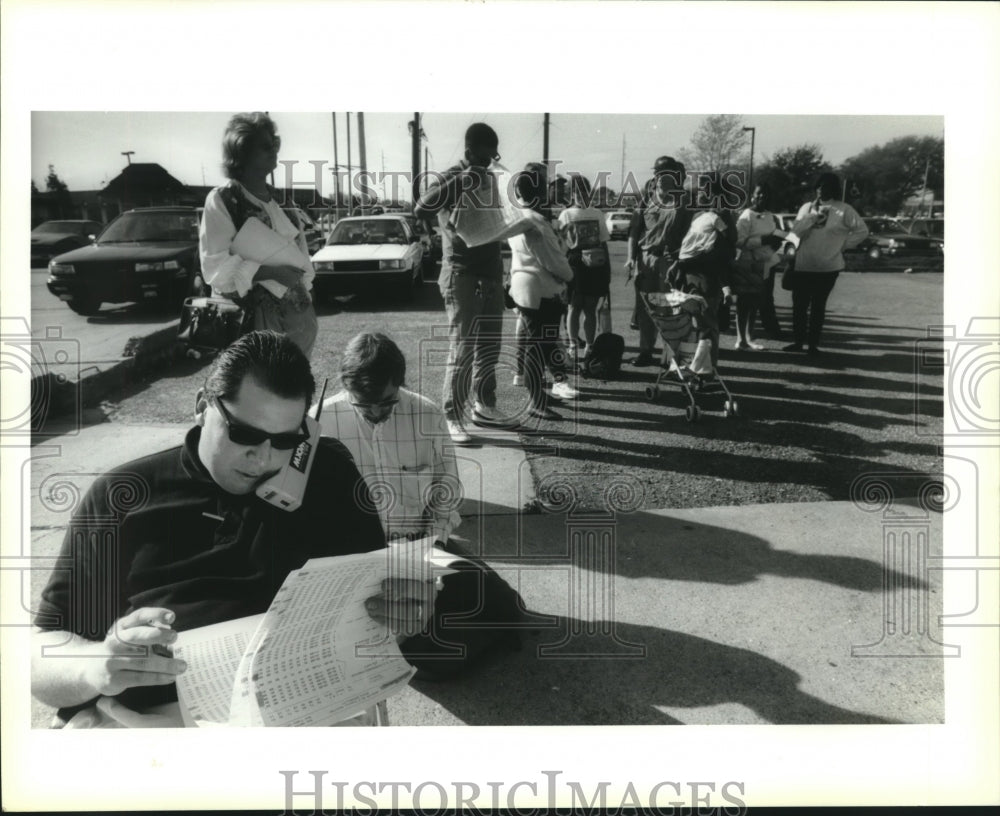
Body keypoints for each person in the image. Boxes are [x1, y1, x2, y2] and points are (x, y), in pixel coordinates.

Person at [31, 331, 433, 728]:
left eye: (286, 441)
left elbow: (375, 614)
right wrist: (95, 666)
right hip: (152, 729)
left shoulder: (330, 477)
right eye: (244, 434)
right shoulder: (123, 495)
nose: (264, 459)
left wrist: (401, 612)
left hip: (301, 719)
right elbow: (39, 658)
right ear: (202, 406)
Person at [321, 332, 462, 544]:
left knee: (488, 580)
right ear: (346, 387)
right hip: (350, 550)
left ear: (400, 383)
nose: (377, 413)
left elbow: (446, 490)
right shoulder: (321, 422)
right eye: (364, 404)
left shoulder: (428, 415)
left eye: (387, 401)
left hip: (419, 543)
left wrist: (436, 542)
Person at [413, 123, 506, 444]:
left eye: (491, 159)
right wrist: (462, 180)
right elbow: (421, 207)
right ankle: (453, 415)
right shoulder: (455, 175)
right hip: (461, 274)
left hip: (492, 272)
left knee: (490, 347)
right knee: (464, 348)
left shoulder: (491, 178)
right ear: (468, 153)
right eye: (482, 159)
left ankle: (484, 402)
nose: (487, 164)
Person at [199, 112, 318, 358]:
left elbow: (302, 258)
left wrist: (304, 292)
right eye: (265, 146)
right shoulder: (223, 200)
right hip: (250, 326)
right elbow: (216, 269)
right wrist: (272, 272)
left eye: (275, 144)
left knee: (292, 390)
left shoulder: (282, 201)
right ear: (241, 153)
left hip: (296, 323)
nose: (274, 150)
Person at [506, 162, 579, 419]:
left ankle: (538, 395)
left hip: (524, 290)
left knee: (534, 344)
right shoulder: (536, 222)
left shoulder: (518, 217)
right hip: (541, 292)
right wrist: (569, 276)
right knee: (539, 347)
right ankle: (536, 401)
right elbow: (554, 260)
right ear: (539, 193)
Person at [786, 172, 869, 356]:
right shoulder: (806, 207)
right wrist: (810, 217)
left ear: (834, 188)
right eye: (818, 186)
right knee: (799, 306)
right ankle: (798, 342)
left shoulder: (843, 209)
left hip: (827, 268)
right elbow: (795, 232)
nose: (821, 190)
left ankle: (813, 345)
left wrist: (843, 246)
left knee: (817, 307)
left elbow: (862, 231)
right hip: (803, 265)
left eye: (826, 186)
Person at [625, 157, 693, 366]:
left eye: (666, 173)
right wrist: (630, 259)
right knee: (646, 308)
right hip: (646, 259)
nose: (661, 177)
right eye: (658, 173)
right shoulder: (646, 200)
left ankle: (670, 354)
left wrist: (680, 259)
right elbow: (634, 233)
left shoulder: (684, 201)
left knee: (669, 309)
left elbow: (690, 233)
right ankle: (645, 351)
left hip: (670, 260)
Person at [675, 177, 736, 368]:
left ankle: (707, 373)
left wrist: (689, 262)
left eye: (702, 190)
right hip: (691, 280)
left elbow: (726, 251)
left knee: (707, 328)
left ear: (713, 194)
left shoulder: (722, 215)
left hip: (707, 280)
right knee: (695, 327)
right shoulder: (698, 215)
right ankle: (695, 369)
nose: (698, 193)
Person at [558, 175, 612, 361]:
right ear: (571, 194)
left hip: (594, 265)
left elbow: (604, 243)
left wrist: (607, 270)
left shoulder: (597, 213)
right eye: (576, 192)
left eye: (584, 191)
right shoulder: (566, 214)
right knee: (574, 306)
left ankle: (589, 345)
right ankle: (573, 345)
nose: (580, 195)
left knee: (590, 308)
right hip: (574, 264)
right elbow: (561, 245)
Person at [733, 182, 787, 348]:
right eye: (758, 194)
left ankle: (750, 337)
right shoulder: (746, 215)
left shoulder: (771, 216)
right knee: (744, 302)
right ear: (752, 196)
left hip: (766, 263)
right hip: (749, 263)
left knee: (756, 301)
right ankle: (740, 339)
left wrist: (776, 242)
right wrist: (764, 240)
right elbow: (739, 241)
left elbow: (774, 236)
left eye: (765, 194)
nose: (761, 197)